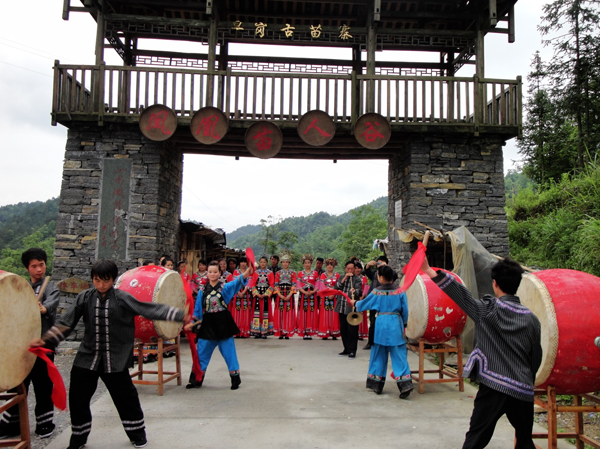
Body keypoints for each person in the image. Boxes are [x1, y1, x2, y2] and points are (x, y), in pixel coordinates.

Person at [31, 259, 189, 449]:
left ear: (113, 279)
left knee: (126, 398)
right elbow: (66, 322)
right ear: (92, 279)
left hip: (115, 358)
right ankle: (78, 438)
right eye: (97, 280)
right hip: (87, 357)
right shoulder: (85, 297)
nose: (101, 285)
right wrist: (46, 340)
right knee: (78, 398)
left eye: (106, 280)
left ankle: (137, 434)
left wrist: (178, 315)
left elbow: (147, 309)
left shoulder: (122, 298)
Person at [420, 256, 542, 449]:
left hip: (493, 386)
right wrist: (528, 381)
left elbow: (460, 294)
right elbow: (535, 357)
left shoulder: (487, 310)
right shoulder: (532, 320)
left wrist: (428, 270)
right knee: (525, 441)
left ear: (495, 284)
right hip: (522, 388)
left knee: (475, 440)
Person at [0, 248, 60, 440]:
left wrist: (43, 308)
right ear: (27, 268)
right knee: (17, 385)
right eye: (34, 266)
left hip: (43, 346)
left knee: (43, 385)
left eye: (41, 265)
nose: (39, 269)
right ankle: (12, 425)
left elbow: (51, 304)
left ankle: (45, 423)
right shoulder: (22, 287)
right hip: (22, 347)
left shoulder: (51, 287)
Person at [184, 261, 253, 390]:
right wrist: (192, 323)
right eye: (210, 272)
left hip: (223, 323)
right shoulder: (202, 291)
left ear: (220, 273)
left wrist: (246, 273)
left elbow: (236, 283)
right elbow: (198, 310)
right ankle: (196, 379)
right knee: (201, 353)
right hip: (208, 324)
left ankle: (235, 379)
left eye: (215, 272)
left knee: (229, 352)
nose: (212, 274)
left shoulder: (225, 287)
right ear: (207, 273)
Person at [350, 265, 413, 398]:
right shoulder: (400, 291)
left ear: (382, 278)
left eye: (378, 275)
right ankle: (405, 385)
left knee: (378, 354)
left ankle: (377, 384)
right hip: (395, 323)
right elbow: (405, 310)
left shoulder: (376, 292)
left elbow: (363, 304)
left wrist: (354, 303)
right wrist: (404, 323)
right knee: (399, 355)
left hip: (381, 325)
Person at [363, 256, 398, 350]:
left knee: (384, 322)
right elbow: (366, 272)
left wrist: (387, 267)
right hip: (374, 300)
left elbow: (395, 276)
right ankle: (370, 342)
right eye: (378, 263)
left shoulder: (389, 274)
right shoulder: (375, 273)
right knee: (372, 321)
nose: (379, 264)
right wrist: (368, 265)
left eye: (381, 262)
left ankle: (385, 342)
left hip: (385, 301)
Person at [335, 261, 364, 358]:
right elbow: (336, 287)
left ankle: (352, 350)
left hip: (351, 309)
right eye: (348, 268)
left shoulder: (357, 279)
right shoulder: (341, 277)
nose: (350, 270)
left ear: (354, 269)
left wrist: (355, 291)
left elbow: (359, 291)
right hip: (341, 307)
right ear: (345, 269)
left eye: (352, 269)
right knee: (343, 330)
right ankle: (346, 349)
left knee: (352, 330)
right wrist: (344, 279)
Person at [296, 254, 319, 340]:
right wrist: (304, 292)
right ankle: (304, 331)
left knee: (311, 311)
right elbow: (298, 285)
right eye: (305, 263)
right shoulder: (300, 273)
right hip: (303, 295)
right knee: (304, 312)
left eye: (308, 262)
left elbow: (318, 284)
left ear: (311, 263)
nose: (307, 264)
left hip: (312, 295)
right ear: (303, 264)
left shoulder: (315, 273)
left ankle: (310, 331)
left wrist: (313, 291)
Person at [273, 254, 297, 339]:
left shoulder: (293, 273)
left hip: (289, 294)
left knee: (288, 313)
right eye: (284, 262)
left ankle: (287, 332)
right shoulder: (278, 273)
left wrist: (289, 295)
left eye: (287, 262)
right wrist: (280, 295)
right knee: (280, 312)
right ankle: (280, 332)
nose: (285, 263)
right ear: (281, 263)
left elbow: (294, 285)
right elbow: (276, 285)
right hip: (280, 294)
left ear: (289, 263)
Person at [250, 256, 274, 338]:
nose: (262, 263)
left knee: (265, 313)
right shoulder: (255, 273)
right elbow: (253, 284)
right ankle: (256, 331)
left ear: (266, 263)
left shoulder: (270, 273)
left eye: (264, 262)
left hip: (266, 296)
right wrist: (257, 294)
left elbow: (272, 285)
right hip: (257, 296)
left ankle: (264, 331)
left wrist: (265, 294)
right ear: (259, 263)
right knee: (257, 313)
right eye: (261, 262)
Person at [316, 257, 340, 340]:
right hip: (325, 297)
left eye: (331, 265)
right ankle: (325, 332)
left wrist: (333, 293)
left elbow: (338, 286)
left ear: (334, 266)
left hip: (334, 297)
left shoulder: (337, 275)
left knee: (334, 314)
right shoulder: (323, 275)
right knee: (325, 314)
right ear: (326, 266)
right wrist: (328, 294)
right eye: (328, 265)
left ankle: (334, 332)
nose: (329, 266)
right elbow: (321, 286)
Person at [227, 257, 251, 338]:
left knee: (245, 311)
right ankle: (236, 332)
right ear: (239, 263)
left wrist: (243, 292)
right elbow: (234, 283)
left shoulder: (248, 271)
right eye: (242, 262)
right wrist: (238, 292)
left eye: (245, 262)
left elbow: (249, 283)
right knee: (237, 311)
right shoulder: (236, 272)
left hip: (246, 293)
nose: (243, 264)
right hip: (237, 293)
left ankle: (245, 331)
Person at [354, 262, 370, 341]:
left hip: (362, 299)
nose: (357, 270)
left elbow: (366, 288)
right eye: (356, 268)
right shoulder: (352, 278)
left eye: (359, 268)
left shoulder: (364, 278)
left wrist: (362, 297)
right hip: (354, 298)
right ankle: (354, 333)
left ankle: (361, 333)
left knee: (361, 315)